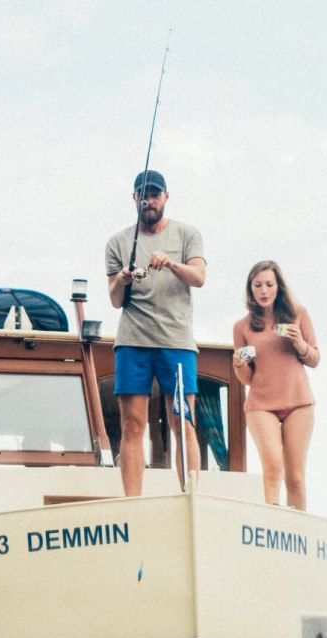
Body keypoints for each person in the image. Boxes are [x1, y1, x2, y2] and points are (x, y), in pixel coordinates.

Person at [105, 170, 207, 496]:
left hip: (176, 341)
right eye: (142, 194)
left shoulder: (187, 234)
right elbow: (115, 300)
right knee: (133, 424)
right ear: (134, 199)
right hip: (133, 341)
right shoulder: (117, 242)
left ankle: (189, 496)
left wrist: (172, 264)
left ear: (166, 196)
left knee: (183, 422)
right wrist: (121, 278)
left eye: (155, 194)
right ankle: (132, 502)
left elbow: (199, 277)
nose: (149, 200)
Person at [232, 260, 319, 509]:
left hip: (299, 402)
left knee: (296, 477)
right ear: (250, 290)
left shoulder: (298, 314)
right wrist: (239, 364)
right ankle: (273, 521)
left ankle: (297, 533)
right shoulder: (242, 327)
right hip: (261, 404)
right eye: (257, 285)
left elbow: (314, 359)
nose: (263, 291)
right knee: (272, 467)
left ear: (278, 287)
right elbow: (248, 378)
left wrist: (300, 344)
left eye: (269, 284)